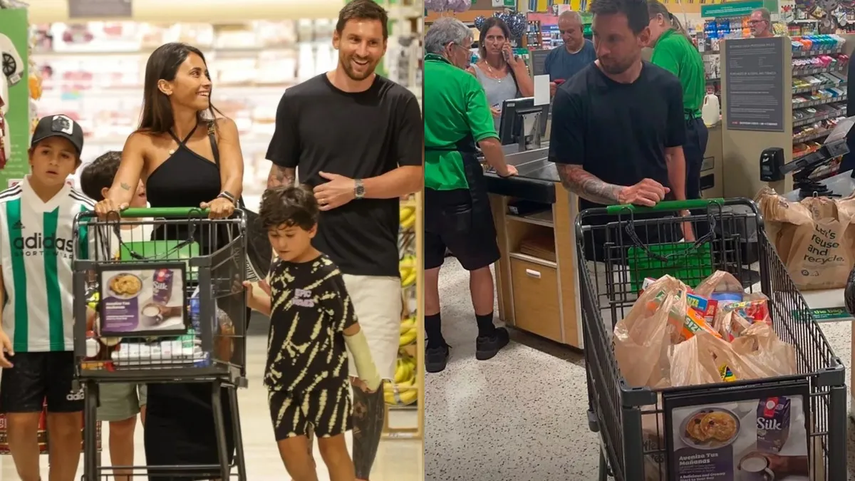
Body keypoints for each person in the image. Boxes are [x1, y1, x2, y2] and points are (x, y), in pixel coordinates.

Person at [264, 2, 422, 479]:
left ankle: (361, 475)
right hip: (305, 268)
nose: (363, 50)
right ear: (336, 39)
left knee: (368, 386)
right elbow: (279, 178)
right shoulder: (298, 100)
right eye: (354, 39)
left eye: (373, 42)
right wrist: (272, 247)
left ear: (384, 46)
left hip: (373, 266)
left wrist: (355, 187)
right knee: (308, 382)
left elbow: (413, 175)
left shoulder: (399, 102)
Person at [93, 42, 244, 479]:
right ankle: (167, 467)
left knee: (212, 370)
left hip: (216, 260)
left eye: (206, 72)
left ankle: (217, 462)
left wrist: (225, 198)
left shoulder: (222, 130)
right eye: (194, 74)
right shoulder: (142, 141)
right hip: (168, 267)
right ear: (165, 84)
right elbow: (123, 189)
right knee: (166, 366)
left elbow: (233, 177)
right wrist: (111, 205)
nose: (206, 82)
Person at [243, 186, 382, 481]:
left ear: (312, 229)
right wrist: (255, 300)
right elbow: (285, 312)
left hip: (324, 381)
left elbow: (350, 326)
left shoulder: (326, 273)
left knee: (333, 451)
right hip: (281, 379)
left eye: (289, 235)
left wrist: (367, 373)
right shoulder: (279, 269)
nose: (281, 243)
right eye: (274, 235)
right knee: (293, 455)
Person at [548, 0, 689, 246]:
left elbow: (673, 154)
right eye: (597, 37)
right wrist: (621, 193)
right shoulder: (572, 95)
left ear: (643, 36)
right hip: (604, 238)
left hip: (661, 230)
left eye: (613, 39)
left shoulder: (667, 87)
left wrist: (684, 214)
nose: (601, 49)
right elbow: (568, 173)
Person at [0, 114, 93, 481]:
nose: (54, 161)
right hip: (19, 338)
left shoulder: (85, 213)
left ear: (76, 164)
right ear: (31, 155)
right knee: (19, 423)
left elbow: (98, 280)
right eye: (47, 151)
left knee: (67, 426)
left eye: (65, 155)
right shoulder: (4, 207)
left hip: (71, 339)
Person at [423, 17, 518, 373]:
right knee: (479, 263)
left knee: (428, 268)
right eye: (467, 49)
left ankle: (434, 346)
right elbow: (487, 140)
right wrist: (504, 169)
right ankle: (485, 336)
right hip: (457, 180)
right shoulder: (464, 82)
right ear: (450, 49)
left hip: (414, 185)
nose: (469, 56)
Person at [79, 151, 149, 481]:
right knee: (120, 422)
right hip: (110, 339)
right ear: (107, 194)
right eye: (131, 180)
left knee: (158, 415)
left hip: (157, 337)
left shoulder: (161, 224)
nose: (141, 185)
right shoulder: (96, 233)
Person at [646, 0, 707, 236]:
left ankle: (684, 259)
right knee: (692, 195)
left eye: (645, 24)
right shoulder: (685, 42)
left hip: (677, 132)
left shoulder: (667, 46)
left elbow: (659, 95)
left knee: (676, 201)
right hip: (696, 125)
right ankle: (703, 254)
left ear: (660, 19)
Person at [469, 17, 534, 129]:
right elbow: (469, 106)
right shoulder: (473, 71)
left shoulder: (517, 64)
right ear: (483, 41)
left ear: (507, 41)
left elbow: (530, 94)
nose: (495, 43)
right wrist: (484, 108)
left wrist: (512, 63)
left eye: (500, 38)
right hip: (488, 133)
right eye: (490, 38)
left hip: (514, 133)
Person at [544, 10, 596, 96]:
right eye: (562, 32)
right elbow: (542, 92)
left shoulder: (596, 53)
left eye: (570, 32)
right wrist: (547, 91)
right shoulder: (552, 57)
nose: (565, 37)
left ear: (581, 29)